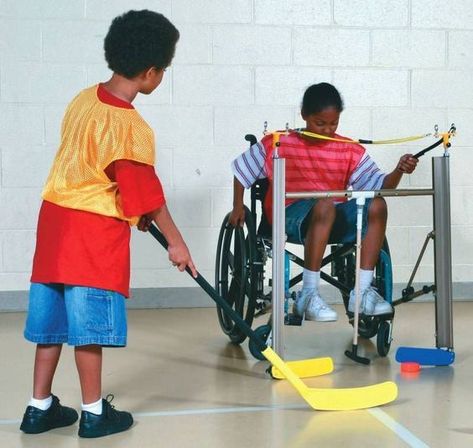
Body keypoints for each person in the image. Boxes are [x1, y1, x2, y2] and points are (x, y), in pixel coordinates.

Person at [20, 10, 196, 439]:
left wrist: (130, 207)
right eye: (165, 71)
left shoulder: (82, 98)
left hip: (54, 224)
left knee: (53, 326)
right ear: (151, 71)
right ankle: (95, 413)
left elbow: (92, 167)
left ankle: (38, 407)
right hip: (92, 234)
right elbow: (145, 198)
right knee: (88, 328)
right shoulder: (129, 126)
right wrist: (177, 243)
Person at [229, 82, 418, 322]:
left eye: (333, 124)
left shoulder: (347, 148)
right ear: (304, 115)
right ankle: (308, 295)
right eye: (320, 123)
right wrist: (237, 205)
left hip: (331, 215)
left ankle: (361, 293)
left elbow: (381, 187)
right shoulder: (279, 142)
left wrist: (399, 170)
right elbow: (241, 170)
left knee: (377, 204)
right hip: (289, 216)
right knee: (326, 204)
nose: (327, 130)